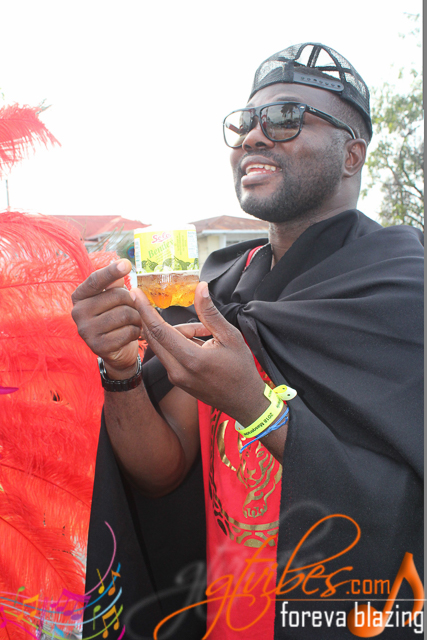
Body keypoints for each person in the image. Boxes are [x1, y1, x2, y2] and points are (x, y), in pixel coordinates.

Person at [72, 43, 423, 639]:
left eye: (286, 117)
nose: (255, 136)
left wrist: (257, 410)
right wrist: (122, 370)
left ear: (352, 154)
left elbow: (403, 490)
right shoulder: (226, 291)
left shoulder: (404, 291)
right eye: (245, 123)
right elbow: (163, 472)